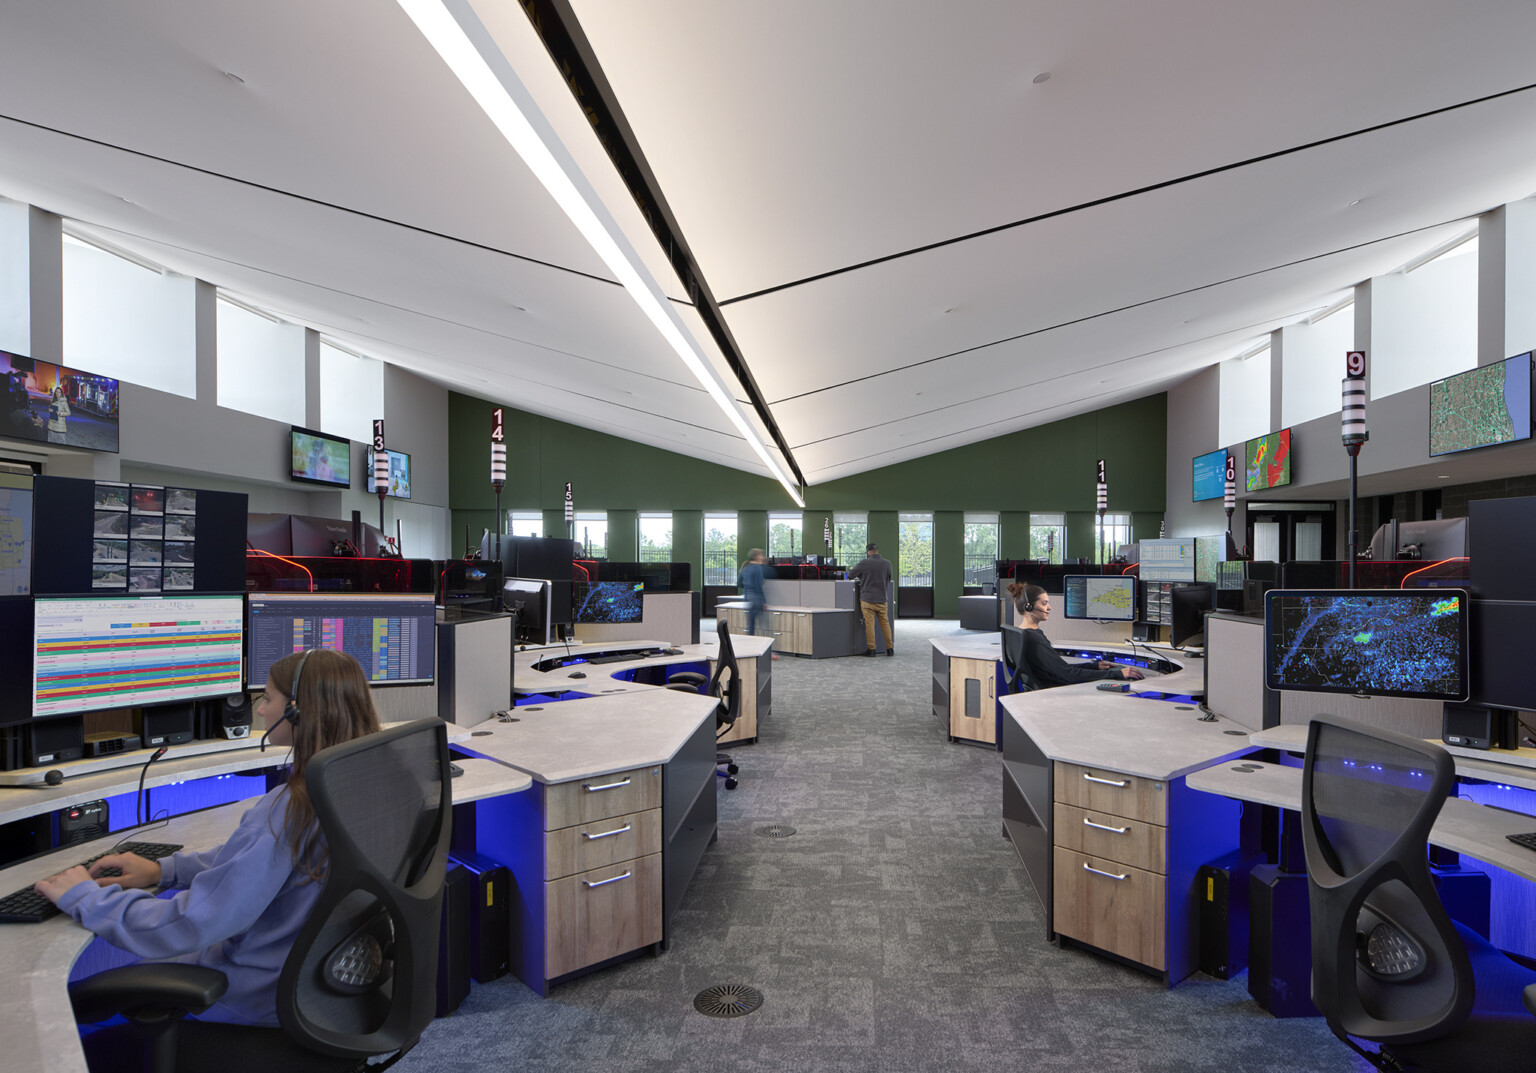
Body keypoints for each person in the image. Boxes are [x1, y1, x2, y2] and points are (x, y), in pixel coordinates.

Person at [33, 648, 382, 1028]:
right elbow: (259, 863)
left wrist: (87, 898)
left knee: (69, 1004)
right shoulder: (368, 783)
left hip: (261, 996)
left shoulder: (291, 808)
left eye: (267, 698)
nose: (261, 711)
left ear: (298, 711)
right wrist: (163, 871)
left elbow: (193, 923)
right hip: (329, 988)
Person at [1007, 582, 1143, 686]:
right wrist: (1116, 674)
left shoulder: (1023, 633)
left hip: (1049, 689)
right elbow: (1068, 675)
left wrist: (1093, 666)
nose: (1049, 608)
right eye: (1044, 603)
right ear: (1029, 607)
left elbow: (1060, 669)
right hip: (1055, 692)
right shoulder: (1034, 638)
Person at [847, 542, 894, 656]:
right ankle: (890, 649)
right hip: (882, 599)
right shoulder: (887, 563)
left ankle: (872, 649)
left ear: (868, 552)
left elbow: (850, 575)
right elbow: (888, 578)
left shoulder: (864, 563)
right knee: (885, 624)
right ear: (877, 551)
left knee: (869, 624)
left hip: (867, 599)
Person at [739, 547, 769, 640]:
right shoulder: (757, 569)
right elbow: (758, 586)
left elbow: (739, 582)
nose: (762, 557)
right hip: (756, 599)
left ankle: (750, 643)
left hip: (747, 598)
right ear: (756, 556)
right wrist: (764, 601)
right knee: (765, 625)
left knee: (750, 625)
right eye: (761, 555)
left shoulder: (745, 568)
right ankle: (764, 646)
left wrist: (747, 588)